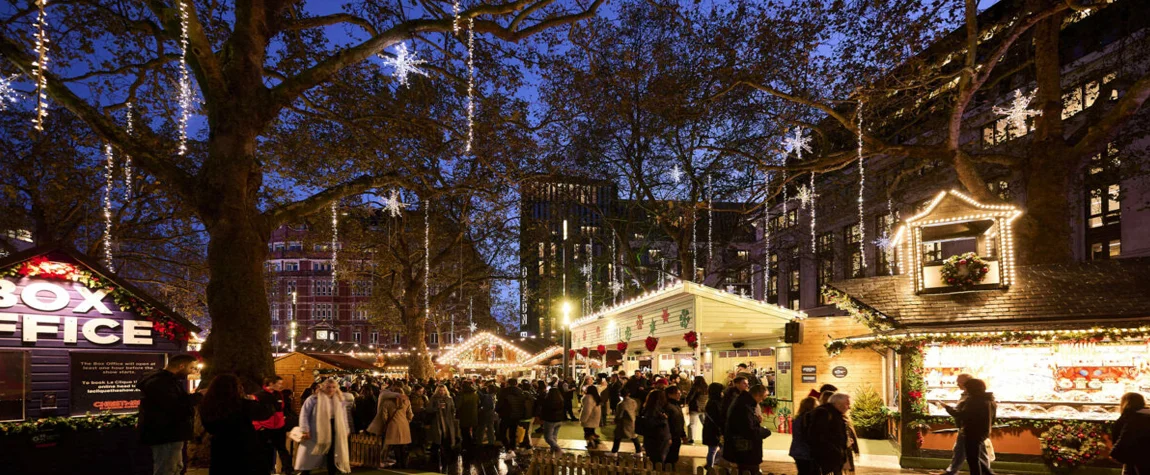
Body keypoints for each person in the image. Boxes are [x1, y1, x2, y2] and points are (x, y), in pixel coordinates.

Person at [137, 353, 201, 475]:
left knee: (176, 467)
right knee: (167, 468)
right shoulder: (160, 382)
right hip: (165, 434)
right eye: (191, 368)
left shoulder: (167, 380)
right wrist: (198, 397)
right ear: (182, 366)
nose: (192, 371)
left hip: (172, 433)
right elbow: (174, 405)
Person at [200, 374, 275, 475]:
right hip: (245, 445)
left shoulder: (207, 405)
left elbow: (208, 426)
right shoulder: (243, 404)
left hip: (221, 445)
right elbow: (266, 412)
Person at [294, 378, 353, 475]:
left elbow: (343, 416)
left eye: (333, 387)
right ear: (323, 387)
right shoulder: (313, 399)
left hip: (335, 427)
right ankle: (305, 472)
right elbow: (304, 414)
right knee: (310, 453)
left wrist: (346, 429)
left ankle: (332, 472)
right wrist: (305, 429)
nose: (331, 389)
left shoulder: (339, 399)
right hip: (316, 428)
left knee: (332, 452)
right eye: (328, 387)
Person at [722, 384, 773, 475]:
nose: (762, 400)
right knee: (749, 470)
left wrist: (756, 420)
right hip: (746, 450)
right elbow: (748, 430)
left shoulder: (743, 402)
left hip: (743, 449)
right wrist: (765, 432)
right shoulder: (744, 406)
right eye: (763, 397)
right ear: (757, 395)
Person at [950, 379, 996, 475]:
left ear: (972, 388)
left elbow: (963, 415)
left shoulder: (974, 400)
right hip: (983, 431)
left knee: (972, 459)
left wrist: (947, 408)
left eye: (967, 388)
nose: (965, 390)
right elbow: (993, 418)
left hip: (971, 431)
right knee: (974, 456)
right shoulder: (989, 399)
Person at [935, 373, 974, 475]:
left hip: (968, 428)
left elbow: (961, 413)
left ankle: (950, 472)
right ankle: (951, 471)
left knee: (962, 451)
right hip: (966, 428)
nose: (957, 384)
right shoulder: (966, 395)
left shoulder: (971, 397)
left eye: (959, 382)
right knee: (962, 451)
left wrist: (946, 407)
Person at [368, 386, 413, 469]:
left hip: (392, 425)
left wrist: (386, 424)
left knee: (395, 445)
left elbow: (384, 416)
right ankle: (404, 463)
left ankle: (398, 463)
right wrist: (407, 421)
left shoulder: (387, 402)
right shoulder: (406, 401)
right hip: (404, 425)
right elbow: (410, 414)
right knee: (403, 446)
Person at [253, 376, 290, 475]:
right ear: (270, 383)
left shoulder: (279, 394)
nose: (281, 386)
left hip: (279, 426)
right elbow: (254, 412)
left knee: (282, 449)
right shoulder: (259, 395)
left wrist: (283, 419)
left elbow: (281, 409)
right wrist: (259, 426)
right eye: (279, 383)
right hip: (264, 427)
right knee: (264, 450)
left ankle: (288, 471)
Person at [809, 392, 852, 475]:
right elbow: (818, 436)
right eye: (847, 404)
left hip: (833, 458)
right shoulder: (824, 413)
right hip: (827, 459)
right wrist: (834, 451)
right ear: (839, 404)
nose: (849, 407)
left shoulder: (835, 414)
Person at [1112, 392, 1150, 475]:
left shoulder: (1129, 418)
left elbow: (1122, 438)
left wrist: (1115, 453)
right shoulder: (1145, 415)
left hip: (1134, 458)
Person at [426, 384, 460, 472]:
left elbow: (453, 409)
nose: (442, 392)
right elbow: (429, 409)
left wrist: (452, 414)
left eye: (443, 390)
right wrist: (436, 408)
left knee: (447, 437)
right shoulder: (433, 398)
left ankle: (446, 458)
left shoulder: (449, 398)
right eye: (440, 390)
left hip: (448, 421)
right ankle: (436, 457)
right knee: (438, 438)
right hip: (437, 421)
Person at [789, 397, 820, 475]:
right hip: (806, 452)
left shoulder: (798, 418)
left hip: (798, 451)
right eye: (816, 405)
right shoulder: (808, 419)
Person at [496, 378, 528, 451]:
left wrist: (499, 411)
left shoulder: (504, 391)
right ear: (516, 383)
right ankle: (512, 448)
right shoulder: (520, 392)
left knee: (502, 432)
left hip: (506, 415)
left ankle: (508, 448)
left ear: (508, 383)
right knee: (512, 433)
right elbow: (523, 404)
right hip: (517, 416)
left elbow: (499, 404)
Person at [640, 390, 672, 463]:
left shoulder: (654, 409)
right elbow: (651, 423)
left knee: (658, 459)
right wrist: (663, 419)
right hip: (657, 438)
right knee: (658, 460)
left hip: (658, 438)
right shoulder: (653, 410)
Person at [611, 388, 641, 455]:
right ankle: (639, 451)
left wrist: (615, 420)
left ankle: (614, 452)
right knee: (634, 436)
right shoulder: (633, 401)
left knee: (617, 437)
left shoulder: (621, 404)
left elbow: (619, 415)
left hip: (623, 423)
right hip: (632, 421)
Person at [537, 386, 567, 453]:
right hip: (559, 420)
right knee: (554, 436)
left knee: (548, 437)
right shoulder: (561, 400)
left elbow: (543, 410)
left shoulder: (547, 400)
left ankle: (558, 449)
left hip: (550, 421)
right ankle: (553, 449)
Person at [702, 383, 725, 468]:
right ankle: (710, 466)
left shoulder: (713, 401)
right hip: (713, 430)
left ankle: (710, 465)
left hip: (712, 429)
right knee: (713, 450)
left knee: (714, 450)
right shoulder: (714, 403)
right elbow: (718, 417)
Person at [665, 386, 687, 465]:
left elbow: (680, 421)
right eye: (677, 393)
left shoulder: (676, 405)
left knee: (674, 457)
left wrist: (683, 435)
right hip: (671, 436)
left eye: (679, 393)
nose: (679, 395)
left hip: (676, 435)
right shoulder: (667, 406)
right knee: (669, 459)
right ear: (670, 394)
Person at [456, 380, 480, 449]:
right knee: (471, 429)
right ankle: (472, 442)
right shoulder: (475, 394)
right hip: (473, 415)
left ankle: (467, 445)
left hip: (464, 415)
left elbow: (458, 405)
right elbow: (478, 403)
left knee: (464, 431)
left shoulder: (461, 394)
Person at [686, 375, 708, 445]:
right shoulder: (706, 388)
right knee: (705, 424)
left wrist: (686, 402)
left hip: (695, 408)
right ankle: (707, 438)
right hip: (703, 408)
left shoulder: (695, 388)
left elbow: (690, 397)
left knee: (693, 424)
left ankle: (691, 439)